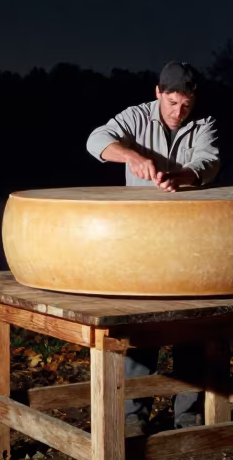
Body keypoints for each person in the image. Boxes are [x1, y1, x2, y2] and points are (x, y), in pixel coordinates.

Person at [85, 61, 221, 433]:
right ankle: (133, 416)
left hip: (192, 238)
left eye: (186, 105)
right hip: (141, 239)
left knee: (190, 322)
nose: (179, 113)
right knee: (140, 326)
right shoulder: (135, 116)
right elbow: (96, 139)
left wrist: (185, 175)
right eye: (173, 102)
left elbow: (209, 160)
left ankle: (189, 413)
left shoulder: (203, 122)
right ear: (158, 93)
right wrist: (131, 156)